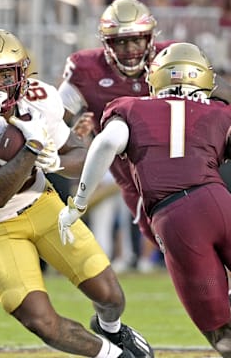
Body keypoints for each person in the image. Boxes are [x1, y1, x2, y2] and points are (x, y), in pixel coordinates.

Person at [0, 28, 153, 358]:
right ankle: (113, 355)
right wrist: (34, 147)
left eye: (4, 75)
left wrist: (54, 161)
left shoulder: (42, 97)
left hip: (43, 204)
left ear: (21, 73)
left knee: (111, 298)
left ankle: (111, 329)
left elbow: (81, 155)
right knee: (41, 320)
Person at [58, 42, 231, 357]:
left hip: (176, 217)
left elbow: (106, 142)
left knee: (221, 330)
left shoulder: (131, 107)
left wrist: (79, 203)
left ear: (156, 78)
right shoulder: (220, 110)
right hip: (219, 202)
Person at [58, 0, 170, 270]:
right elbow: (55, 121)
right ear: (107, 44)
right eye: (120, 41)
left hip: (180, 174)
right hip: (131, 184)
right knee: (172, 249)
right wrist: (72, 134)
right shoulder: (87, 69)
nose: (130, 49)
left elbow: (214, 99)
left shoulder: (171, 60)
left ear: (150, 38)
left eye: (136, 40)